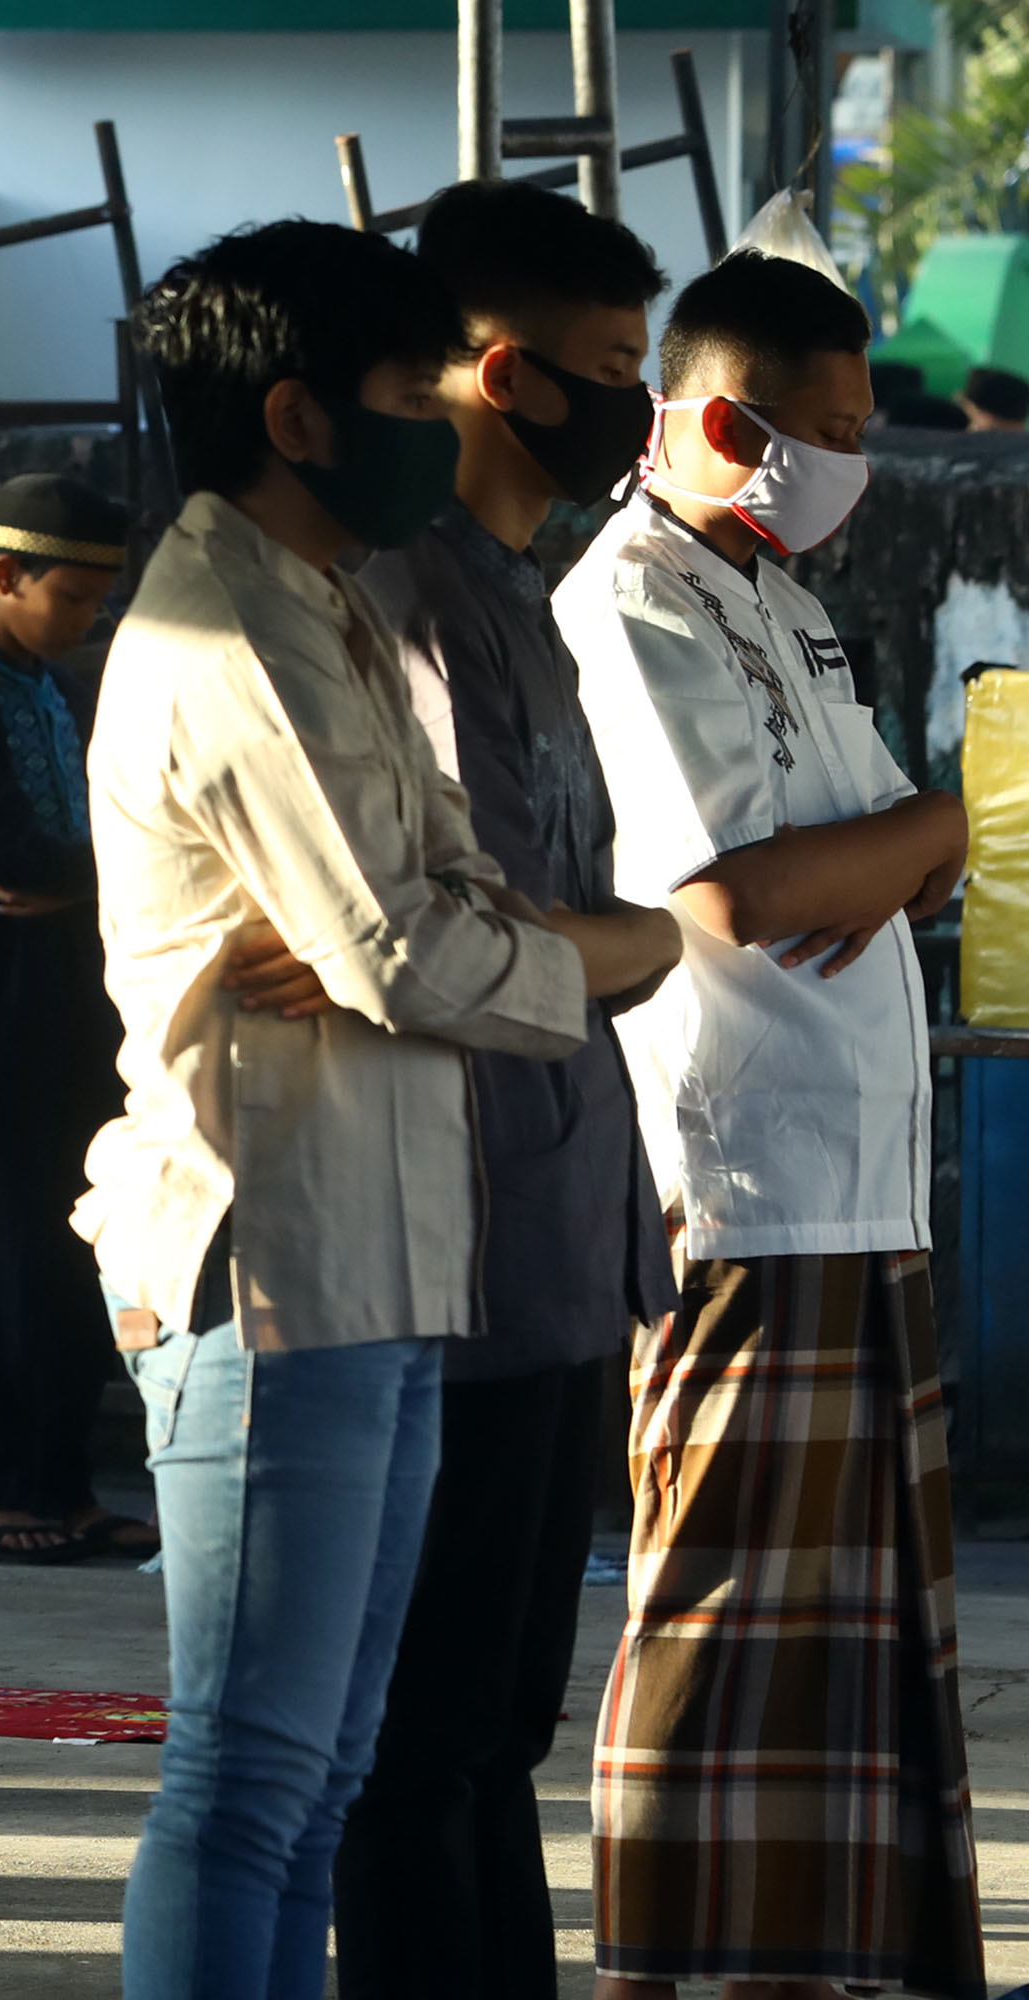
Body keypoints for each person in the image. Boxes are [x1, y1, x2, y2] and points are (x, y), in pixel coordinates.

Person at [88, 219, 659, 2000]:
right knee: (250, 1775)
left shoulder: (334, 605)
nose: (438, 429)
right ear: (298, 414)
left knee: (326, 1769)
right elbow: (410, 949)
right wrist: (632, 947)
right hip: (279, 1258)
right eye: (414, 396)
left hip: (393, 1253)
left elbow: (448, 897)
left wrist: (503, 942)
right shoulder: (233, 629)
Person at [557, 247, 985, 2000]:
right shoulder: (627, 602)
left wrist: (910, 843)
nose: (853, 462)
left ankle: (829, 1962)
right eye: (833, 431)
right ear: (729, 423)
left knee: (858, 1626)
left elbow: (883, 853)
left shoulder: (780, 594)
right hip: (739, 1174)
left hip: (860, 1168)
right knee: (725, 1601)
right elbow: (742, 891)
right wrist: (930, 833)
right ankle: (676, 1961)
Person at [325, 177, 686, 2000]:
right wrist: (640, 942)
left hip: (553, 1226)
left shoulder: (518, 597)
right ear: (501, 373)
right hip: (447, 1237)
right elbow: (487, 932)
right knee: (428, 1728)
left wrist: (615, 944)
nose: (638, 404)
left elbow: (568, 925)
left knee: (500, 1724)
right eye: (616, 366)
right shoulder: (404, 603)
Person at [0, 473, 143, 1567]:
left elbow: (97, 847)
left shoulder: (58, 688)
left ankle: (60, 1478)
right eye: (76, 596)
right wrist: (94, 875)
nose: (90, 618)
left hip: (72, 1000)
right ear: (6, 575)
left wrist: (82, 881)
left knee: (67, 1244)